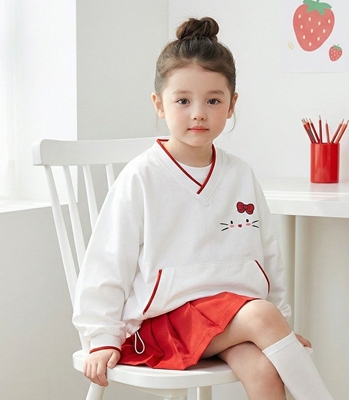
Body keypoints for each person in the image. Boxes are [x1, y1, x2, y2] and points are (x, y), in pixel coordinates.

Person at [73, 17, 333, 400]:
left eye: (213, 100)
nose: (199, 113)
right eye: (183, 101)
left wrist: (277, 333)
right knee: (262, 315)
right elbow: (107, 261)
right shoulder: (141, 177)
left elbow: (269, 256)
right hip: (165, 323)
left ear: (231, 105)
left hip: (232, 320)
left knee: (263, 368)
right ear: (159, 105)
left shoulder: (240, 173)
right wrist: (101, 337)